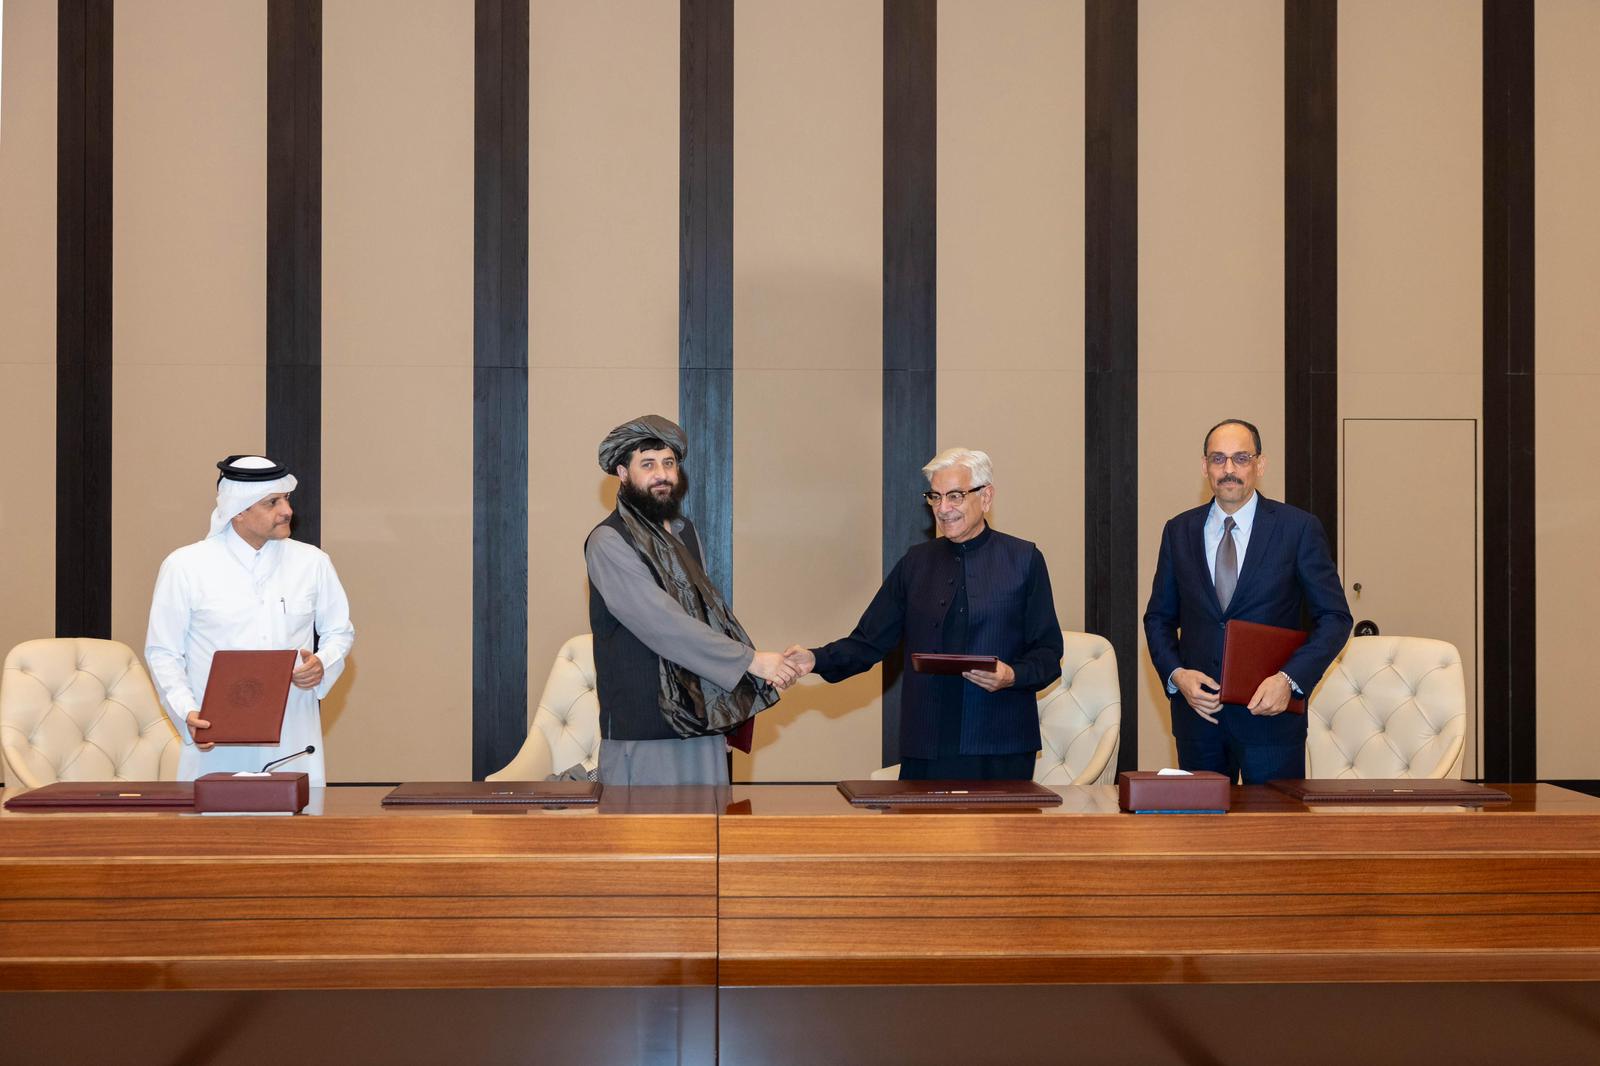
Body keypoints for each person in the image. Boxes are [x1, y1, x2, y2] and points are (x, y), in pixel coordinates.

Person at [784, 448, 1062, 781]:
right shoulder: (915, 563)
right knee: (923, 834)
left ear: (986, 496)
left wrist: (1011, 676)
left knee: (996, 835)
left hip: (1001, 743)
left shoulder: (1024, 560)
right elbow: (869, 641)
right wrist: (815, 659)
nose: (943, 509)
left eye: (955, 496)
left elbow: (1048, 654)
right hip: (928, 743)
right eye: (935, 497)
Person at [585, 414, 795, 785]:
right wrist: (751, 661)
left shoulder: (684, 532)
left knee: (707, 836)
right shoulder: (609, 540)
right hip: (645, 728)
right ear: (622, 472)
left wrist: (727, 712)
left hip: (700, 720)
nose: (661, 474)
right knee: (648, 841)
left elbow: (705, 617)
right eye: (647, 465)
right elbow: (662, 623)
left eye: (668, 463)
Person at [1143, 419, 1352, 784]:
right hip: (1198, 720)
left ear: (1260, 464)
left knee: (1273, 836)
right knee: (1199, 836)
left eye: (1240, 458)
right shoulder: (1179, 531)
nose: (1229, 470)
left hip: (1270, 723)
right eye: (1218, 459)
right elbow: (1158, 618)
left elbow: (1335, 617)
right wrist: (1178, 675)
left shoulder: (1297, 528)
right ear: (1204, 466)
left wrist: (1289, 680)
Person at [145, 455, 355, 786]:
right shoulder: (185, 566)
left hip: (293, 736)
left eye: (286, 499)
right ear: (238, 511)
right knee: (215, 834)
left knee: (295, 834)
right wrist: (187, 711)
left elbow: (339, 633)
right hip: (215, 736)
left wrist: (322, 663)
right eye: (272, 502)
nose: (286, 511)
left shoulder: (313, 563)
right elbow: (163, 651)